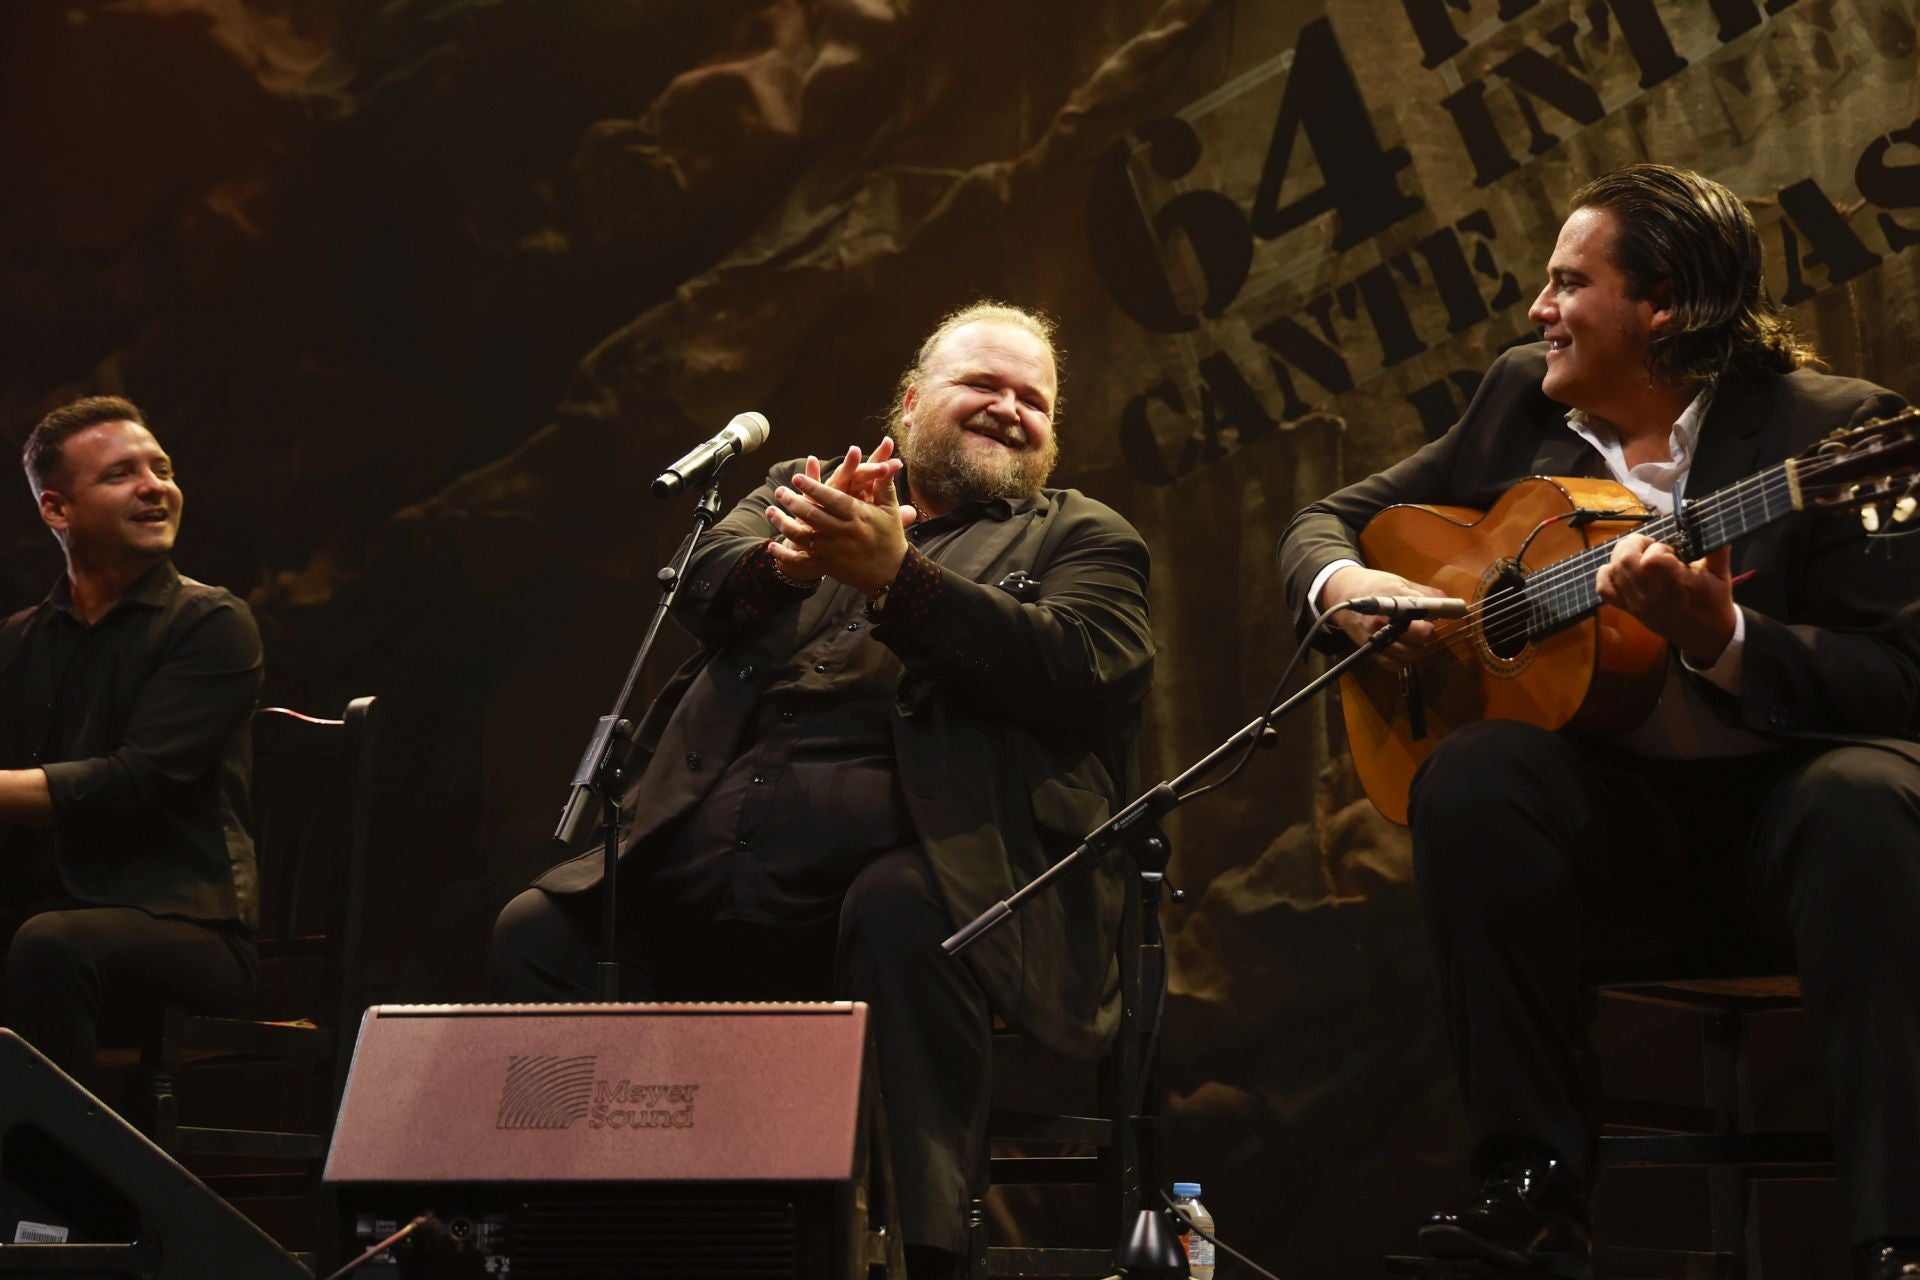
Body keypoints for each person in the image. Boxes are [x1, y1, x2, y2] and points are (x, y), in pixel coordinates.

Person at [1279, 164, 1920, 1276]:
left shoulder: (1839, 434)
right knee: (1474, 775)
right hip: (1618, 853)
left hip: (1796, 841)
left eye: (1568, 283)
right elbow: (1328, 521)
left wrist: (1722, 638)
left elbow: (1902, 679)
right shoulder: (1520, 401)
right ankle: (1530, 1200)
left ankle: (1899, 1230)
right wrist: (1352, 592)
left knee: (1866, 794)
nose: (1539, 312)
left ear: (1660, 303)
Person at [491, 301, 1155, 1277]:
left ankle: (918, 1253)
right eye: (986, 385)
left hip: (939, 879)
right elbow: (699, 582)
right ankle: (610, 1234)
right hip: (709, 871)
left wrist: (902, 580)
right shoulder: (801, 489)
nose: (1012, 409)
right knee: (539, 935)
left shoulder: (1082, 535)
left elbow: (1085, 663)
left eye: (1036, 401)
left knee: (904, 909)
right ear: (913, 399)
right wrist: (788, 559)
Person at [0, 396, 263, 1084]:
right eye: (121, 474)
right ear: (56, 510)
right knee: (43, 936)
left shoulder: (211, 624)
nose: (156, 486)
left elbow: (136, 782)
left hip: (187, 931)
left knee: (51, 945)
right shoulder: (23, 639)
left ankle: (63, 1189)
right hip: (49, 917)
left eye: (163, 469)